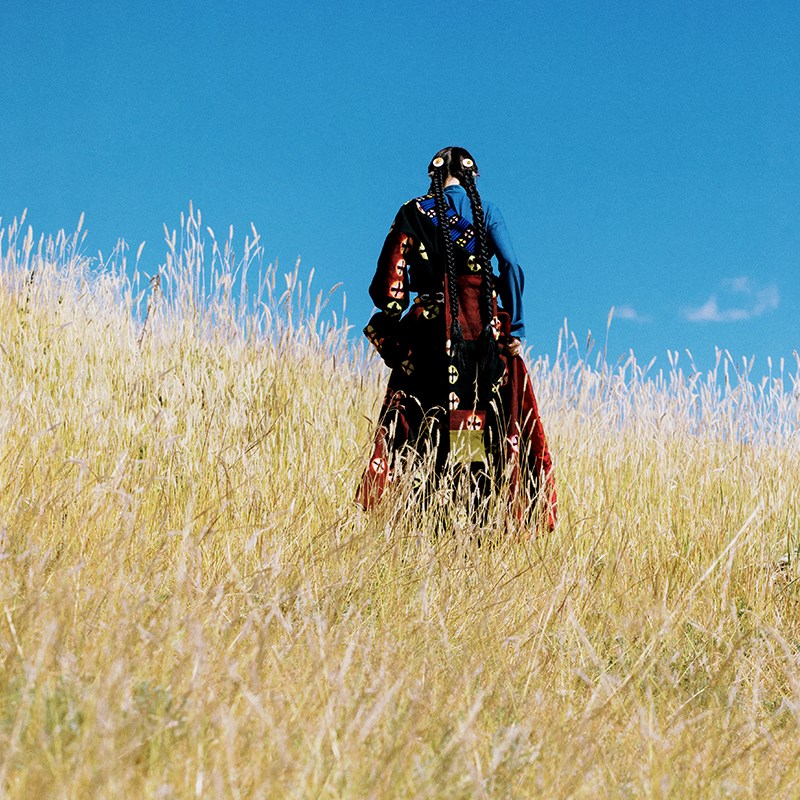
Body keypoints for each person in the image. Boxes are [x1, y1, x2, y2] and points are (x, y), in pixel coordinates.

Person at [357, 147, 556, 530]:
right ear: (473, 177)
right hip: (482, 332)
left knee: (418, 423)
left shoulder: (412, 212)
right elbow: (512, 266)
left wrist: (394, 312)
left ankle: (422, 519)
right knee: (473, 421)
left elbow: (388, 290)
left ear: (433, 177)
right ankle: (474, 514)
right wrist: (514, 329)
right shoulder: (487, 212)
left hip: (429, 333)